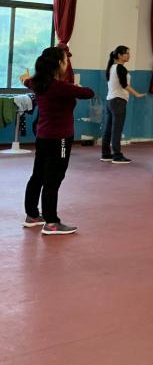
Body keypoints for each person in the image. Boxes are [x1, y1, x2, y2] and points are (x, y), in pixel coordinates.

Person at [20, 48, 94, 235]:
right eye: (65, 60)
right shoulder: (61, 87)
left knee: (38, 175)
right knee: (53, 180)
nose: (67, 64)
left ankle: (32, 216)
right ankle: (51, 222)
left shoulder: (37, 83)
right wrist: (76, 87)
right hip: (60, 139)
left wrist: (25, 79)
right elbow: (89, 93)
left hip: (43, 137)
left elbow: (27, 82)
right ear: (59, 64)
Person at [101, 45, 145, 163]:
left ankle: (106, 154)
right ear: (120, 55)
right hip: (118, 101)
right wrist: (137, 94)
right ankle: (117, 155)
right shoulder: (120, 68)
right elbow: (124, 85)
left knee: (108, 128)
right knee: (117, 129)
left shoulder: (111, 67)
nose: (129, 55)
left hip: (110, 101)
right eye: (126, 53)